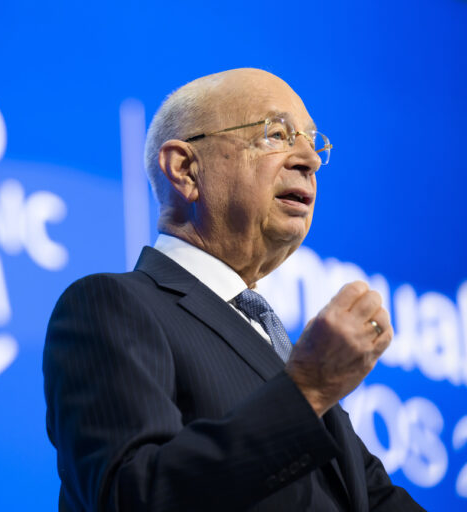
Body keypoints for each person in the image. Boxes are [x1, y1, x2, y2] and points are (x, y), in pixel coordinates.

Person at [42, 68, 425, 511]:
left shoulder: (282, 351)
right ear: (185, 169)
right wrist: (308, 390)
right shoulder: (112, 306)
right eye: (277, 134)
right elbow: (132, 497)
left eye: (312, 142)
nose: (310, 159)